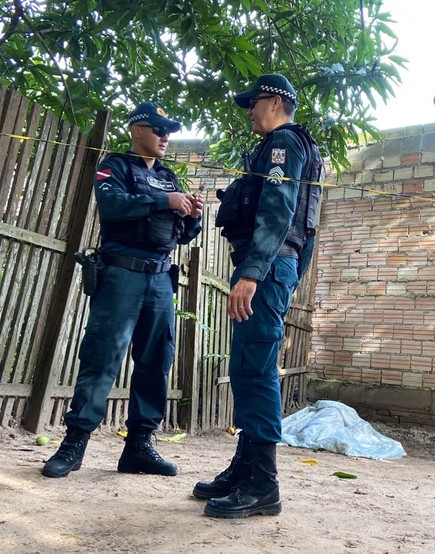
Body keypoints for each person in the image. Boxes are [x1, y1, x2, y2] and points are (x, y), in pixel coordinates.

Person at [42, 102, 204, 478]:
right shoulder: (114, 166)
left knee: (156, 362)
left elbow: (177, 236)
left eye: (169, 130)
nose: (165, 136)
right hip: (121, 275)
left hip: (161, 278)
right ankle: (75, 443)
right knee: (102, 357)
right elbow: (111, 205)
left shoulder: (169, 177)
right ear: (136, 130)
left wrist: (192, 217)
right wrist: (163, 201)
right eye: (158, 128)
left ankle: (139, 447)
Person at [195, 74, 320, 519]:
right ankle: (245, 468)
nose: (249, 110)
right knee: (247, 367)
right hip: (272, 266)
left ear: (274, 102)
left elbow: (278, 209)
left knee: (256, 368)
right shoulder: (300, 148)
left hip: (263, 265)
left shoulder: (283, 143)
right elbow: (306, 228)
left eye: (254, 103)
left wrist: (253, 272)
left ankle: (263, 484)